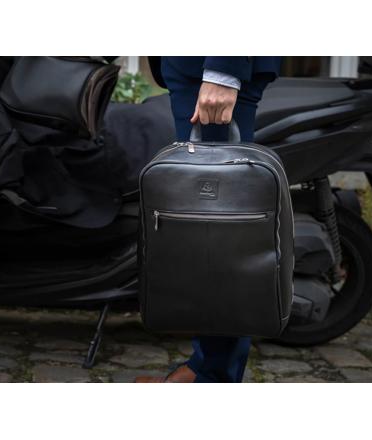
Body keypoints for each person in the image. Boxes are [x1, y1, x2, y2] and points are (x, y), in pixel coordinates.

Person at [135, 56, 282, 383]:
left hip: (212, 66)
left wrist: (224, 70)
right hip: (193, 67)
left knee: (219, 233)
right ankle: (208, 364)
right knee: (209, 231)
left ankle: (214, 377)